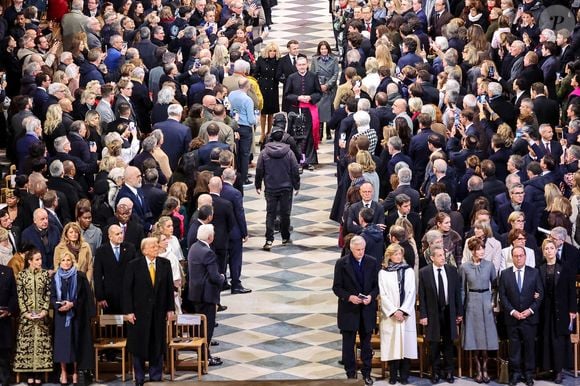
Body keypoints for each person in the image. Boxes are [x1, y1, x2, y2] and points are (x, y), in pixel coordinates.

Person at [123, 237, 175, 386]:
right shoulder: (134, 265)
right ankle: (139, 378)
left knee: (157, 343)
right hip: (138, 314)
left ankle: (155, 377)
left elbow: (169, 289)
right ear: (144, 250)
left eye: (156, 246)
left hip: (158, 312)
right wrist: (128, 311)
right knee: (139, 345)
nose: (156, 248)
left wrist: (170, 308)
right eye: (152, 246)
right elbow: (127, 290)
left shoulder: (165, 264)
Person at [332, 236, 379, 386]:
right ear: (351, 249)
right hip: (349, 310)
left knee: (366, 345)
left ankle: (366, 373)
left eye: (363, 249)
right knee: (348, 344)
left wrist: (371, 297)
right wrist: (349, 297)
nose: (360, 252)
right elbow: (337, 287)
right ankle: (351, 373)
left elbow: (377, 286)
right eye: (358, 250)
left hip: (366, 310)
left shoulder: (371, 261)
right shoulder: (342, 263)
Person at [498, 246, 543, 386]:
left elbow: (540, 295)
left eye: (521, 255)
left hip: (529, 318)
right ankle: (515, 373)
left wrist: (530, 310)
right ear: (512, 257)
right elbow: (503, 296)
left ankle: (528, 374)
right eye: (516, 256)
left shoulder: (534, 273)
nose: (518, 258)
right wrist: (513, 311)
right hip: (512, 318)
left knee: (529, 347)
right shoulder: (505, 274)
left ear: (525, 256)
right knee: (514, 348)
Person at [418, 246, 463, 384]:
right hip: (433, 313)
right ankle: (435, 372)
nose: (443, 258)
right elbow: (423, 296)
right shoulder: (424, 272)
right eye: (439, 255)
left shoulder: (452, 270)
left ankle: (449, 371)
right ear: (432, 258)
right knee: (434, 344)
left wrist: (459, 313)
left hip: (449, 311)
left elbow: (457, 293)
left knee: (449, 342)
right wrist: (423, 315)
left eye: (443, 255)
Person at [51, 251, 95, 385]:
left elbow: (85, 297)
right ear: (59, 262)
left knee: (76, 344)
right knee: (62, 346)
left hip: (77, 316)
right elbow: (52, 296)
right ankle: (63, 373)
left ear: (73, 261)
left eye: (68, 260)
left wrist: (72, 304)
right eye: (63, 260)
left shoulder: (80, 276)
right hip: (61, 316)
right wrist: (58, 305)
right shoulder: (55, 277)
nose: (66, 263)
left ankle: (76, 372)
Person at [255, 122, 301, 251]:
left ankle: (269, 239)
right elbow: (294, 170)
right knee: (285, 214)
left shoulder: (264, 152)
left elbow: (259, 170)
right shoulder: (289, 152)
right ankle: (285, 237)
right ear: (281, 137)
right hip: (286, 187)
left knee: (270, 214)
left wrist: (258, 184)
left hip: (271, 187)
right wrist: (296, 185)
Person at [538, 239, 577, 384]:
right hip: (545, 309)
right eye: (546, 248)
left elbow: (571, 290)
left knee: (559, 339)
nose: (549, 251)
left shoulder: (565, 267)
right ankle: (550, 369)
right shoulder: (540, 268)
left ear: (556, 250)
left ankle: (559, 371)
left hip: (562, 309)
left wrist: (573, 309)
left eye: (551, 248)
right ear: (543, 252)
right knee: (547, 338)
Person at [459, 238, 499, 383]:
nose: (481, 251)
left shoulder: (489, 266)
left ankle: (485, 369)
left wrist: (493, 302)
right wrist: (462, 309)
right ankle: (478, 368)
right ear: (472, 251)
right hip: (472, 302)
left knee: (486, 338)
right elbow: (462, 289)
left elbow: (495, 287)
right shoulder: (464, 267)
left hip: (486, 301)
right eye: (478, 249)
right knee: (474, 338)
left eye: (483, 248)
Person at [13, 249, 53, 385]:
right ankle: (29, 374)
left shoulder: (45, 275)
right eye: (37, 259)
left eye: (40, 259)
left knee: (42, 345)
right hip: (27, 317)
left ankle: (39, 374)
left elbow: (48, 293)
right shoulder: (22, 275)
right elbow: (20, 296)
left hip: (42, 316)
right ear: (29, 261)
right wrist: (25, 312)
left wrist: (44, 310)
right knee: (28, 346)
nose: (40, 262)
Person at [379, 244, 417, 385]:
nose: (398, 257)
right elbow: (383, 294)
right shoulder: (383, 273)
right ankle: (393, 375)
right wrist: (394, 311)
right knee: (393, 345)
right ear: (389, 256)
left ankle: (404, 376)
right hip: (391, 316)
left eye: (400, 254)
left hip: (406, 315)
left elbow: (411, 292)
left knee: (405, 346)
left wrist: (403, 310)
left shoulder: (408, 271)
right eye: (395, 254)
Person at [187, 224, 225, 367]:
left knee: (201, 327)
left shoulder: (194, 248)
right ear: (210, 237)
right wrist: (222, 278)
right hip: (206, 295)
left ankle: (204, 355)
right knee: (207, 329)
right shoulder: (207, 252)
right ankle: (205, 357)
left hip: (196, 293)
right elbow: (215, 276)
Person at [283, 56, 323, 170]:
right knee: (297, 137)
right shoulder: (291, 77)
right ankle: (298, 161)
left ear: (307, 65)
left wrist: (310, 97)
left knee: (309, 136)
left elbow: (319, 93)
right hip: (296, 111)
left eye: (303, 64)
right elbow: (287, 95)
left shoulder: (313, 76)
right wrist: (298, 97)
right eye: (299, 65)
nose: (302, 67)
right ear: (296, 66)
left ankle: (309, 161)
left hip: (310, 111)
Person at [93, 225, 138, 314]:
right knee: (110, 325)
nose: (120, 236)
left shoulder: (130, 248)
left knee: (127, 323)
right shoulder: (101, 251)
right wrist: (100, 297)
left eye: (121, 233)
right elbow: (97, 275)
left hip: (127, 294)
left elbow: (135, 272)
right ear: (110, 236)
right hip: (109, 295)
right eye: (117, 234)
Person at [0, 262, 17, 386]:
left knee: (4, 353)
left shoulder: (8, 271)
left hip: (3, 319)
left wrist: (9, 310)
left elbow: (14, 296)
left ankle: (5, 380)